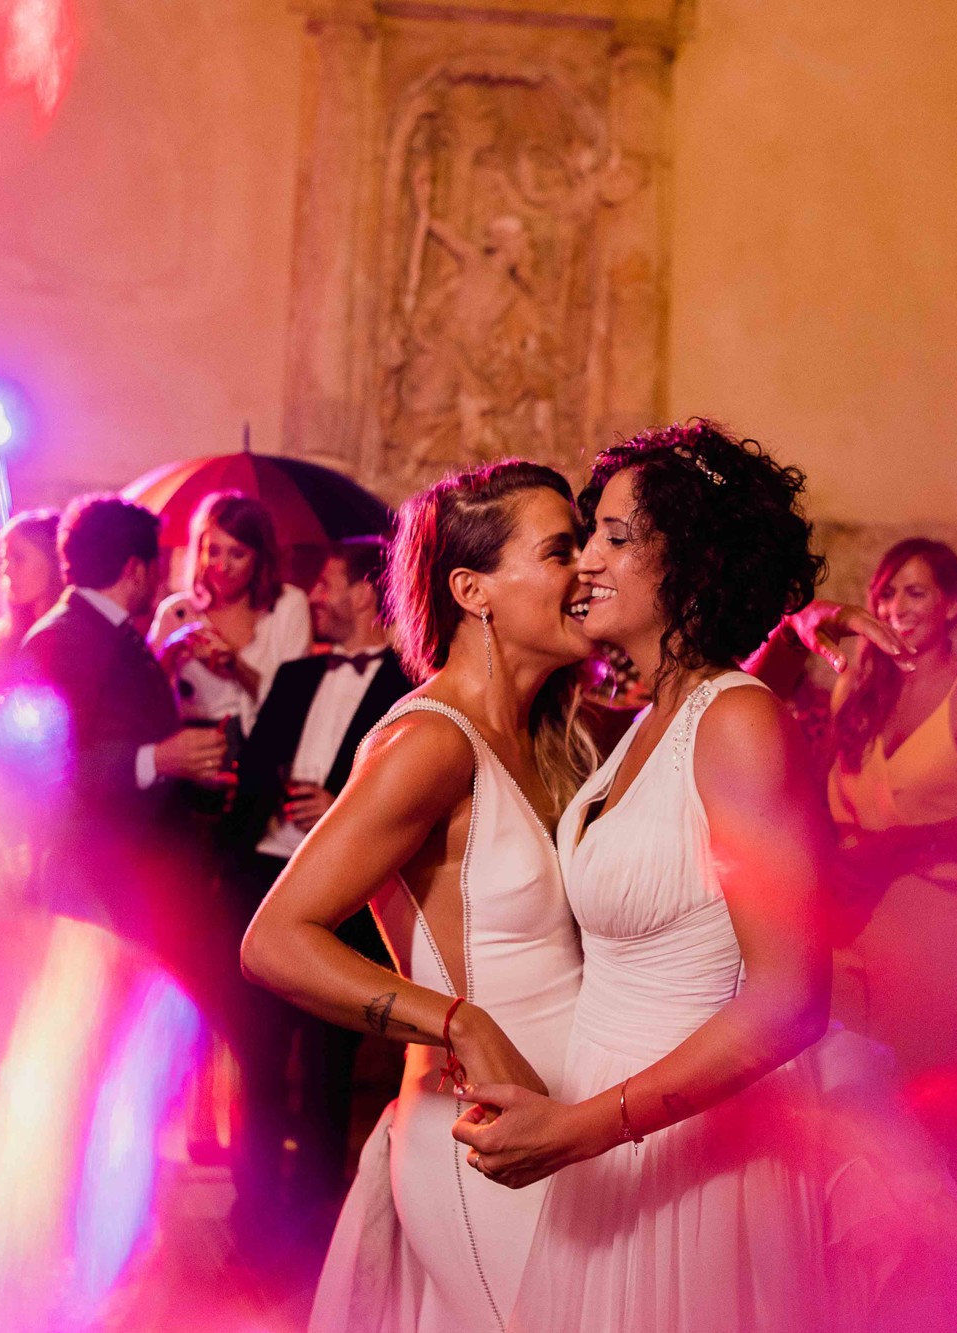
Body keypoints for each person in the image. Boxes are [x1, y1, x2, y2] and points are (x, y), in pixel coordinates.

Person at [451, 421, 841, 1332]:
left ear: (694, 563)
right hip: (604, 1135)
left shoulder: (737, 721)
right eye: (588, 535)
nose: (583, 561)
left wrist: (578, 1128)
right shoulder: (643, 723)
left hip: (689, 1146)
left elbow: (791, 997)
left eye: (614, 538)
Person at [240, 460, 595, 1333]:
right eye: (560, 550)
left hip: (565, 1126)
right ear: (473, 589)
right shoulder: (430, 742)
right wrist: (457, 1022)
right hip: (479, 1136)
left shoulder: (560, 736)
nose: (587, 569)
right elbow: (275, 939)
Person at [216, 537, 416, 1251]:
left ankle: (311, 1222)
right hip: (263, 884)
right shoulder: (296, 676)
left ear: (366, 592)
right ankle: (253, 1211)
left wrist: (337, 806)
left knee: (331, 1066)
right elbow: (251, 782)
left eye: (328, 582)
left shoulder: (412, 685)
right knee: (258, 1060)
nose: (317, 597)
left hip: (346, 901)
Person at [814, 537, 957, 1078]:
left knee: (912, 1108)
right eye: (886, 594)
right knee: (839, 1102)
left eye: (916, 593)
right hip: (846, 915)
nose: (895, 609)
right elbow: (812, 787)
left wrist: (903, 843)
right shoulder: (856, 685)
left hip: (923, 923)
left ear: (951, 605)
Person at [20, 495, 232, 945]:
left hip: (138, 874)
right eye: (158, 564)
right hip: (97, 878)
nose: (161, 578)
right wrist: (158, 759)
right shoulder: (60, 637)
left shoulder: (111, 630)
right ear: (137, 569)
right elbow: (51, 769)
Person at [149, 491, 312, 731]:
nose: (222, 567)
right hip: (191, 750)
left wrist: (235, 665)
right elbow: (142, 700)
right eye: (213, 551)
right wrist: (170, 653)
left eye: (237, 554)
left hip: (262, 749)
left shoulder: (287, 605)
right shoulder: (177, 611)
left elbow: (291, 706)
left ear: (260, 558)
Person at [0, 509, 61, 684]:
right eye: (4, 559)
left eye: (18, 558)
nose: (6, 569)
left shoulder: (74, 637)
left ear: (54, 561)